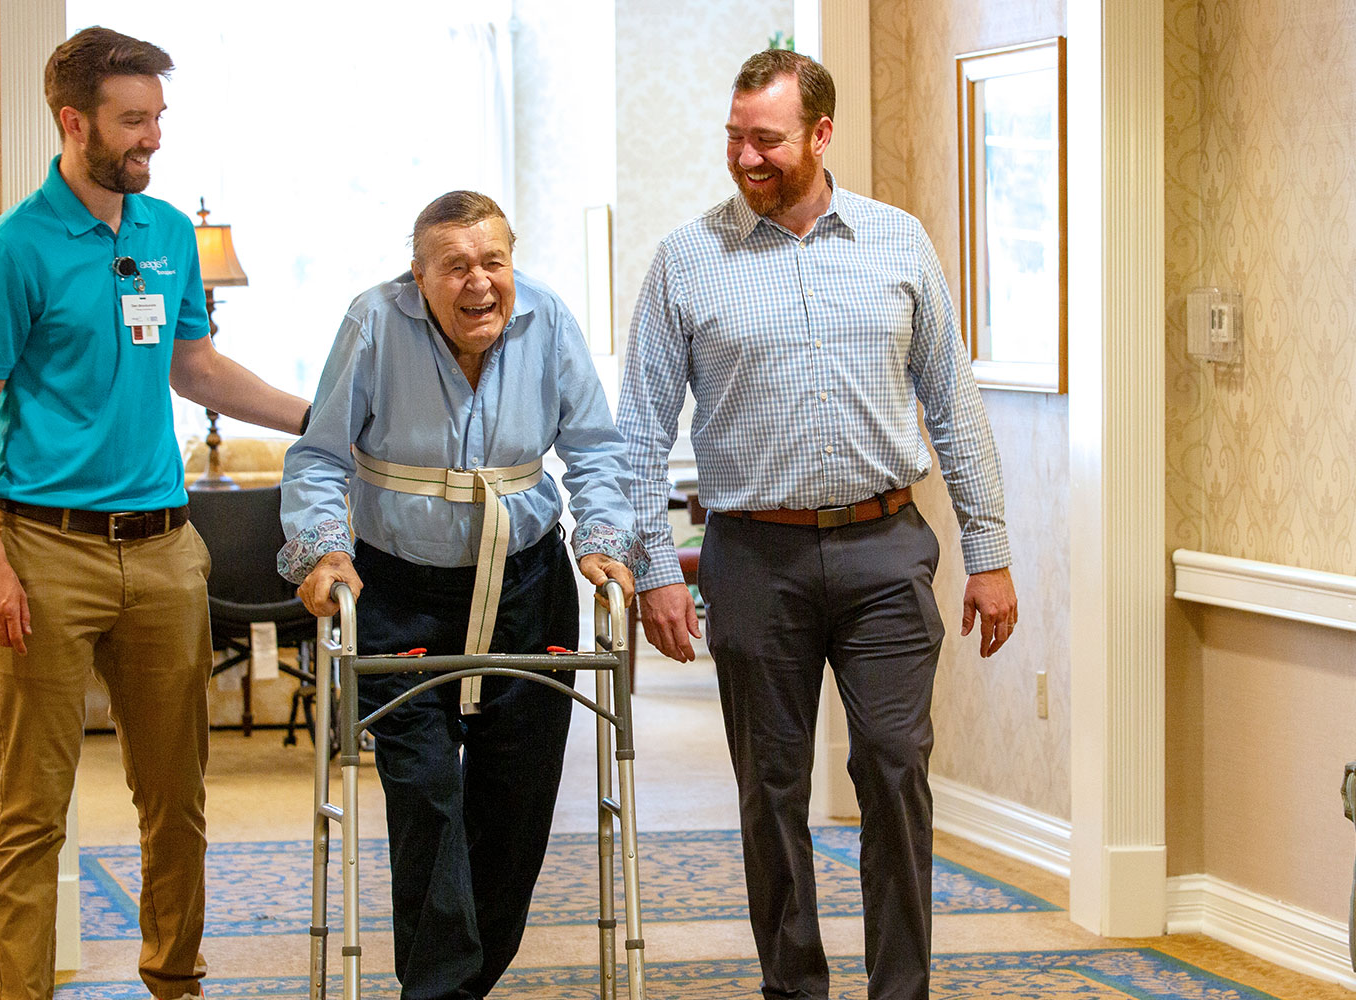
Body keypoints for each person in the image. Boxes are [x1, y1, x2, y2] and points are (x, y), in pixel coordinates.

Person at [616, 48, 1021, 1000]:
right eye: (734, 138)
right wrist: (656, 569)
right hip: (753, 556)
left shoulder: (897, 242)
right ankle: (792, 986)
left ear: (821, 134)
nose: (745, 158)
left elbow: (955, 407)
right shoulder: (686, 259)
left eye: (767, 140)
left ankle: (900, 989)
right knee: (771, 786)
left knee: (895, 766)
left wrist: (990, 552)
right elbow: (637, 429)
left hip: (886, 549)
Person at [0, 26, 311, 1000]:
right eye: (133, 120)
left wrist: (314, 419)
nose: (152, 138)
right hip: (45, 549)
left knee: (176, 798)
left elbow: (196, 367)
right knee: (32, 807)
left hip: (163, 549)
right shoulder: (9, 251)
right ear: (74, 122)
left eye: (157, 118)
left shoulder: (167, 235)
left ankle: (175, 977)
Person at [280, 190, 643, 1000]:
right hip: (399, 589)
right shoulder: (374, 322)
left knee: (516, 809)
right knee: (427, 802)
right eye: (455, 267)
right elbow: (319, 457)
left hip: (528, 585)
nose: (479, 282)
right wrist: (323, 548)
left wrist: (604, 540)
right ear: (418, 276)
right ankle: (440, 994)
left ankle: (456, 988)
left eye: (493, 262)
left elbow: (594, 449)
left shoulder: (548, 319)